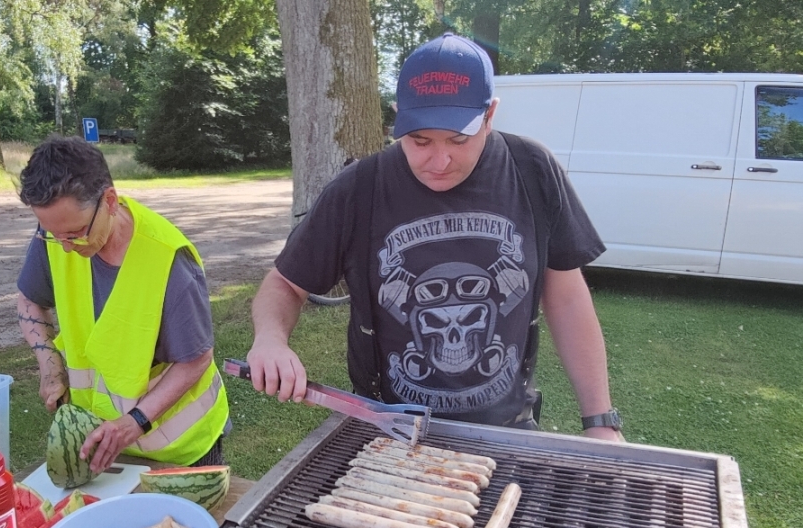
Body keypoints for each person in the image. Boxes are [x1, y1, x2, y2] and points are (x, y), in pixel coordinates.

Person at [248, 33, 625, 441]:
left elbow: (566, 295)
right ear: (398, 115)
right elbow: (285, 283)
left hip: (511, 427)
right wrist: (270, 339)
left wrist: (600, 421)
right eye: (420, 140)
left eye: (458, 140)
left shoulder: (532, 170)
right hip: (389, 429)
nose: (439, 161)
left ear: (490, 115)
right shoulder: (360, 188)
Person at [15, 136, 231, 471]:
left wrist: (134, 423)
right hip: (103, 442)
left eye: (75, 234)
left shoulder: (169, 260)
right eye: (51, 233)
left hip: (180, 449)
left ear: (110, 201)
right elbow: (29, 300)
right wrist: (49, 363)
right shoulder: (58, 235)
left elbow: (197, 359)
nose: (66, 247)